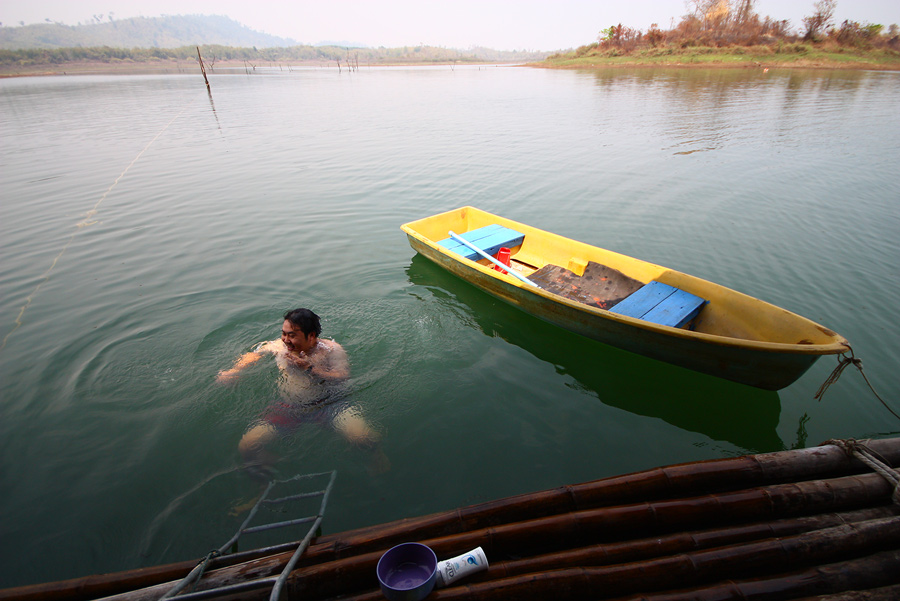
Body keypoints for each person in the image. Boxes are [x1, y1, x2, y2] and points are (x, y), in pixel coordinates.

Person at [217, 308, 388, 477]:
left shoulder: (331, 350)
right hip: (290, 407)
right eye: (284, 333)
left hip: (328, 404)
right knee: (248, 445)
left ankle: (377, 457)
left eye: (292, 335)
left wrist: (310, 369)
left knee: (364, 438)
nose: (286, 340)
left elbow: (342, 376)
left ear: (311, 336)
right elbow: (254, 354)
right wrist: (234, 370)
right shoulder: (280, 346)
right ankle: (270, 478)